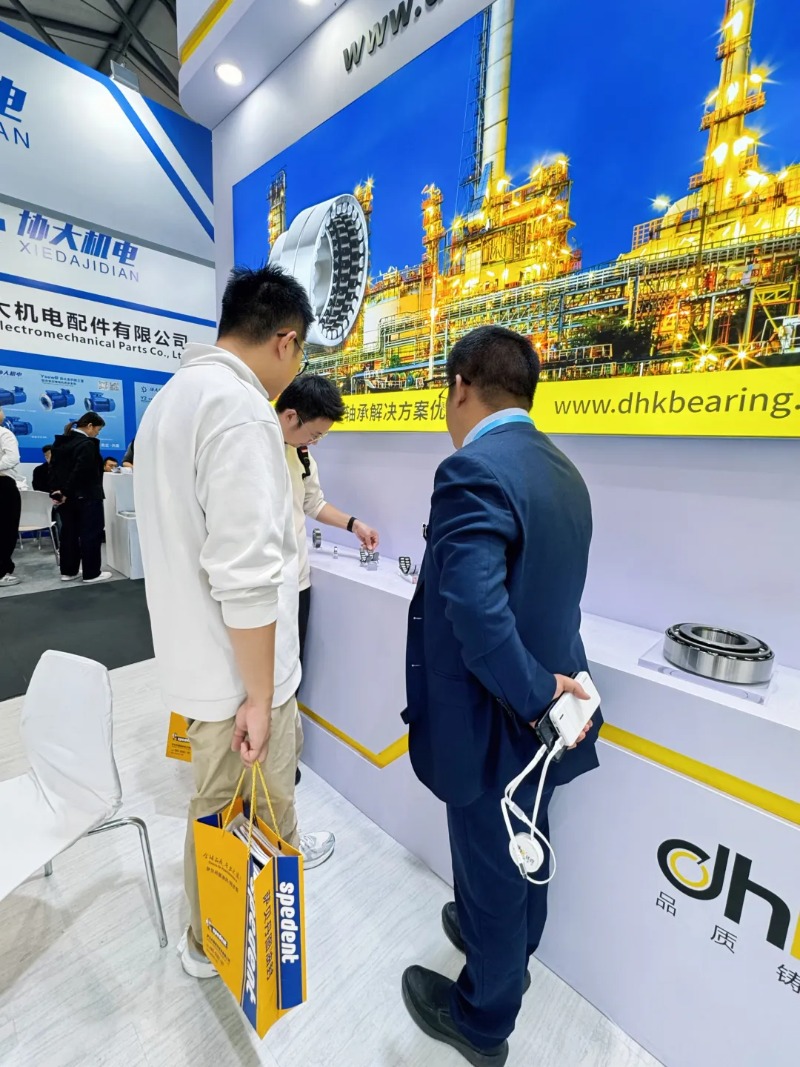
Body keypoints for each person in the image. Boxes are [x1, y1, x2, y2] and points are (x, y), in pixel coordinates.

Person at [401, 325, 602, 1067]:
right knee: (527, 841)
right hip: (544, 712)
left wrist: (533, 694)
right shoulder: (564, 470)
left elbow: (477, 611)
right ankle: (514, 948)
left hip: (496, 714)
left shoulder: (472, 469)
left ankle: (482, 1020)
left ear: (460, 385)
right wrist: (548, 695)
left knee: (489, 864)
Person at [134, 264, 335, 981]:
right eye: (301, 352)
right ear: (286, 340)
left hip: (195, 664)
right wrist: (258, 695)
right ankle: (231, 944)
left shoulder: (170, 402)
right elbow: (246, 577)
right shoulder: (243, 410)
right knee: (257, 809)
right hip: (242, 677)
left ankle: (208, 936)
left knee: (215, 802)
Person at [275, 374, 380, 664]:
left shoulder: (302, 454)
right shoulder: (253, 447)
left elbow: (313, 503)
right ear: (291, 416)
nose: (315, 442)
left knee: (293, 664)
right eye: (314, 434)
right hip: (263, 585)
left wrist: (354, 524)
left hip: (297, 581)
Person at [49, 412, 111, 585]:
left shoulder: (61, 442)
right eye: (98, 430)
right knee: (90, 533)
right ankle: (91, 573)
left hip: (65, 498)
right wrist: (67, 490)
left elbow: (52, 469)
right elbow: (81, 471)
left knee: (68, 533)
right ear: (90, 426)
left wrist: (59, 492)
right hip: (87, 495)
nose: (97, 434)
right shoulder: (87, 444)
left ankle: (68, 571)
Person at [0, 407, 26, 587]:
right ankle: (1, 572)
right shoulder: (4, 433)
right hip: (3, 484)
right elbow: (12, 458)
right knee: (6, 529)